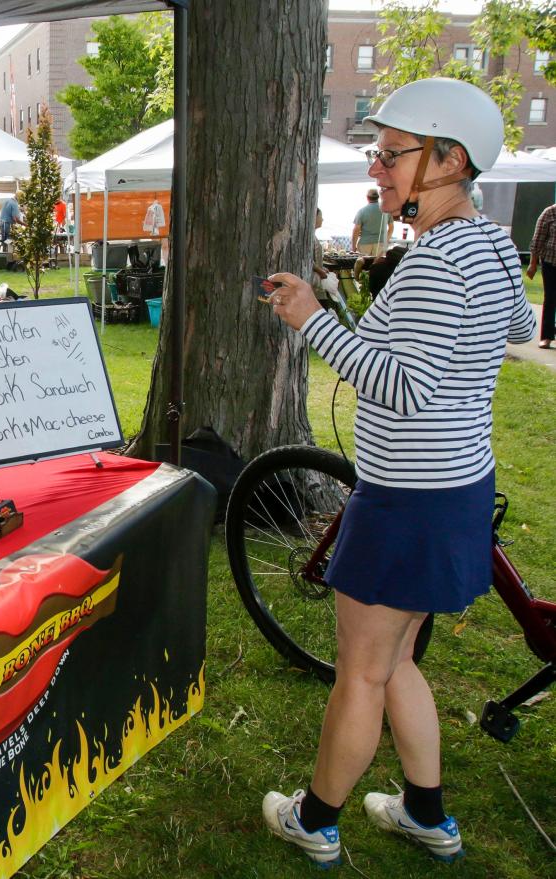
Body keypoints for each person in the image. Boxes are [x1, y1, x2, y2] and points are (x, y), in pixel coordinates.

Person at [262, 77, 535, 868]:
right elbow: (515, 322)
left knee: (362, 674)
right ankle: (426, 814)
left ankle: (314, 821)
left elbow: (401, 385)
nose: (378, 170)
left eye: (391, 155)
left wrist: (313, 319)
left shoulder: (435, 264)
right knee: (399, 659)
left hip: (407, 501)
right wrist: (353, 322)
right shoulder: (487, 245)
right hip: (456, 489)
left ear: (448, 160)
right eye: (376, 155)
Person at [526, 200, 555, 349]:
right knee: (550, 299)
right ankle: (547, 337)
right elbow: (537, 241)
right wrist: (532, 264)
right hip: (551, 263)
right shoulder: (549, 212)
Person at [351, 187, 393, 256]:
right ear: (378, 197)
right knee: (377, 266)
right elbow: (391, 228)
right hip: (380, 244)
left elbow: (356, 230)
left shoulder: (362, 211)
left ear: (367, 197)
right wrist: (386, 241)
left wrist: (353, 247)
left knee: (363, 265)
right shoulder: (386, 210)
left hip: (364, 244)